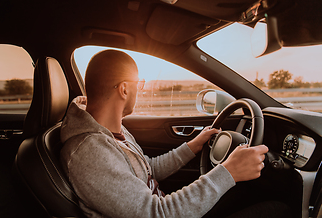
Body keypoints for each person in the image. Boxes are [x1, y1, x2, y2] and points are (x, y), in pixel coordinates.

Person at [60, 49, 272, 218]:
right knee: (277, 211)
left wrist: (192, 146)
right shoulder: (89, 153)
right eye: (139, 85)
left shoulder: (111, 131)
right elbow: (157, 213)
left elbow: (147, 168)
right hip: (163, 212)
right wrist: (228, 172)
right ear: (124, 89)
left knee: (249, 196)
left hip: (164, 206)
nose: (139, 91)